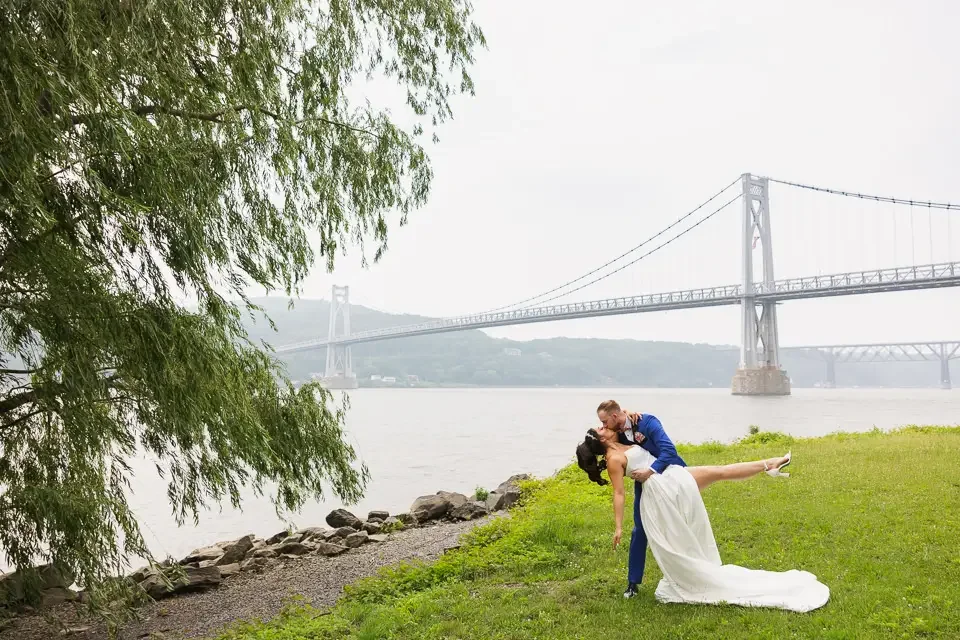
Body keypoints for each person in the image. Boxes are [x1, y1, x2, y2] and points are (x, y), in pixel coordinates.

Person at [575, 421, 830, 612]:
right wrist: (618, 527)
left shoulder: (622, 440)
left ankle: (769, 465)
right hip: (664, 488)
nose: (605, 426)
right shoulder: (613, 458)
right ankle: (769, 464)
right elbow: (619, 493)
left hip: (668, 477)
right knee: (719, 471)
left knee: (719, 472)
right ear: (602, 438)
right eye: (601, 427)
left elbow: (627, 418)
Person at [595, 400, 687, 598]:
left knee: (677, 525)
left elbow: (669, 451)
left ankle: (685, 574)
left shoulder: (647, 422)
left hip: (670, 474)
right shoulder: (617, 432)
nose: (603, 426)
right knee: (639, 529)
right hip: (644, 484)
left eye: (604, 422)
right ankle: (632, 583)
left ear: (613, 417)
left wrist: (650, 471)